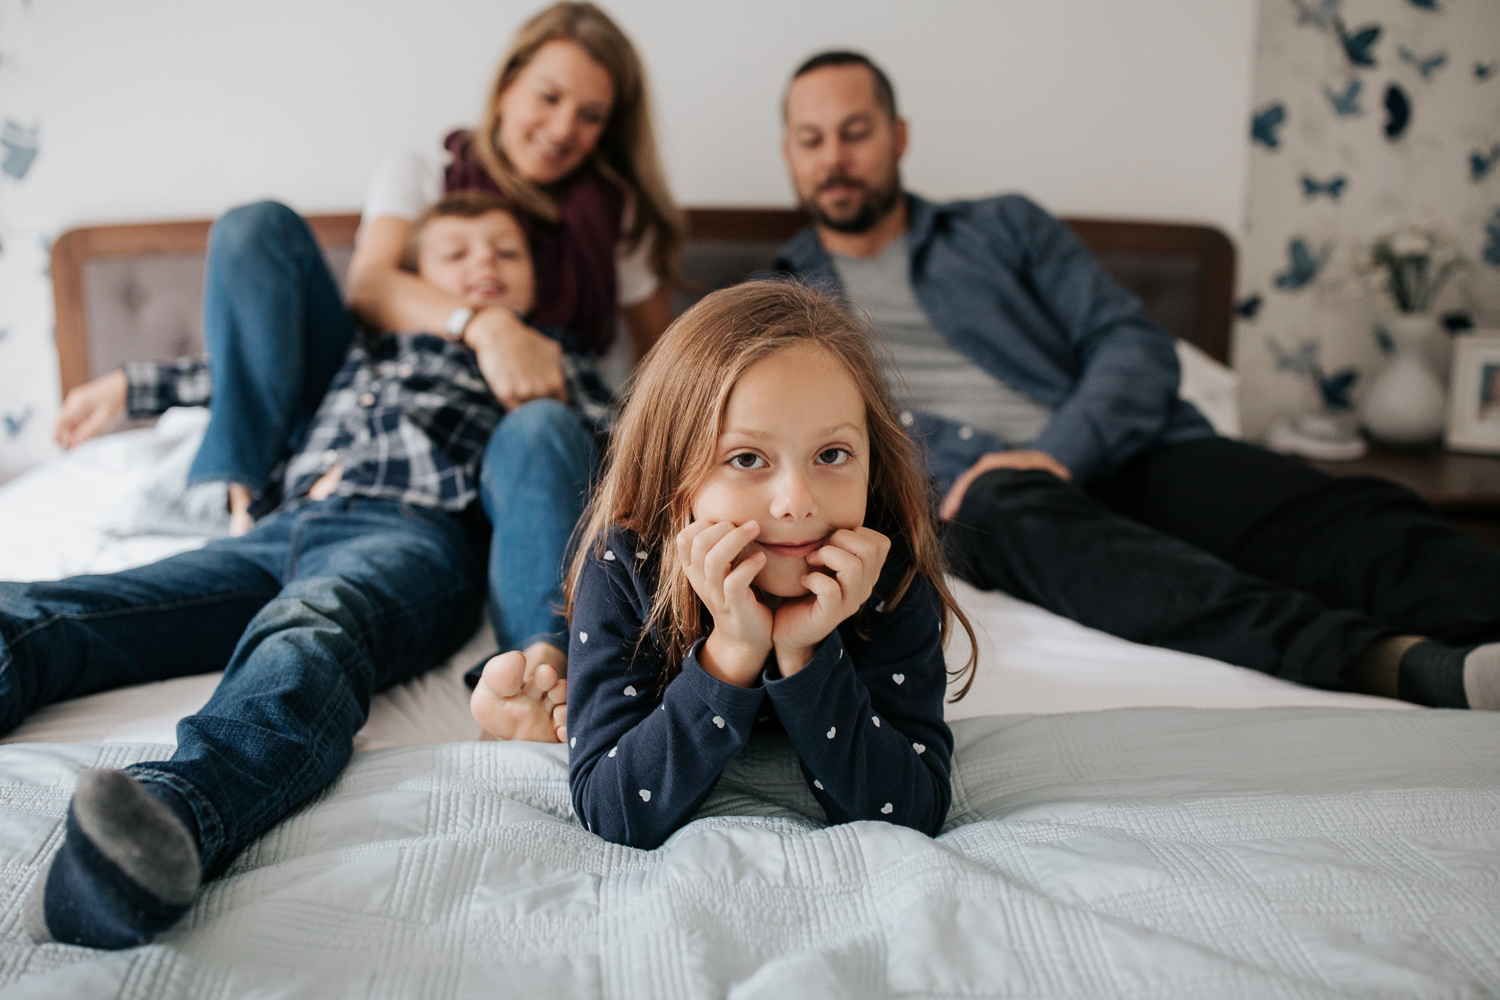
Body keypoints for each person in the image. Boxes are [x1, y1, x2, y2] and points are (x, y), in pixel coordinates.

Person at [771, 50, 1500, 711]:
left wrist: (1060, 448)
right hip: (982, 501)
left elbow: (1133, 344)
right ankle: (1393, 664)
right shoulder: (776, 303)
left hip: (1126, 448)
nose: (834, 158)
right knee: (1008, 507)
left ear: (897, 137)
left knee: (1344, 517)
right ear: (790, 157)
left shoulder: (1002, 228)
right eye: (812, 141)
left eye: (855, 132)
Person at [51, 2, 684, 742]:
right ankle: (249, 492)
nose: (563, 127)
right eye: (549, 96)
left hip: (472, 457)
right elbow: (367, 293)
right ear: (508, 84)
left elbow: (654, 384)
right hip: (363, 406)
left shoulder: (606, 237)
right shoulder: (420, 191)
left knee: (542, 431)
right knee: (256, 228)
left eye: (591, 115)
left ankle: (540, 664)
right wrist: (132, 386)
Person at [10, 193, 597, 950]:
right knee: (61, 610)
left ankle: (176, 816)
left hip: (413, 533)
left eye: (506, 253)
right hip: (276, 525)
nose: (484, 261)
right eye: (457, 251)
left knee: (310, 625)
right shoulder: (364, 344)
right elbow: (243, 372)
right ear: (416, 276)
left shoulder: (555, 356)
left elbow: (614, 449)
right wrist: (128, 387)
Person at [565, 281, 977, 850]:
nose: (796, 502)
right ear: (671, 473)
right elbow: (611, 811)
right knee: (546, 640)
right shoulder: (624, 564)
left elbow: (909, 812)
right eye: (747, 458)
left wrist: (806, 653)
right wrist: (731, 654)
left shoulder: (889, 571)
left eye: (832, 455)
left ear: (870, 463)